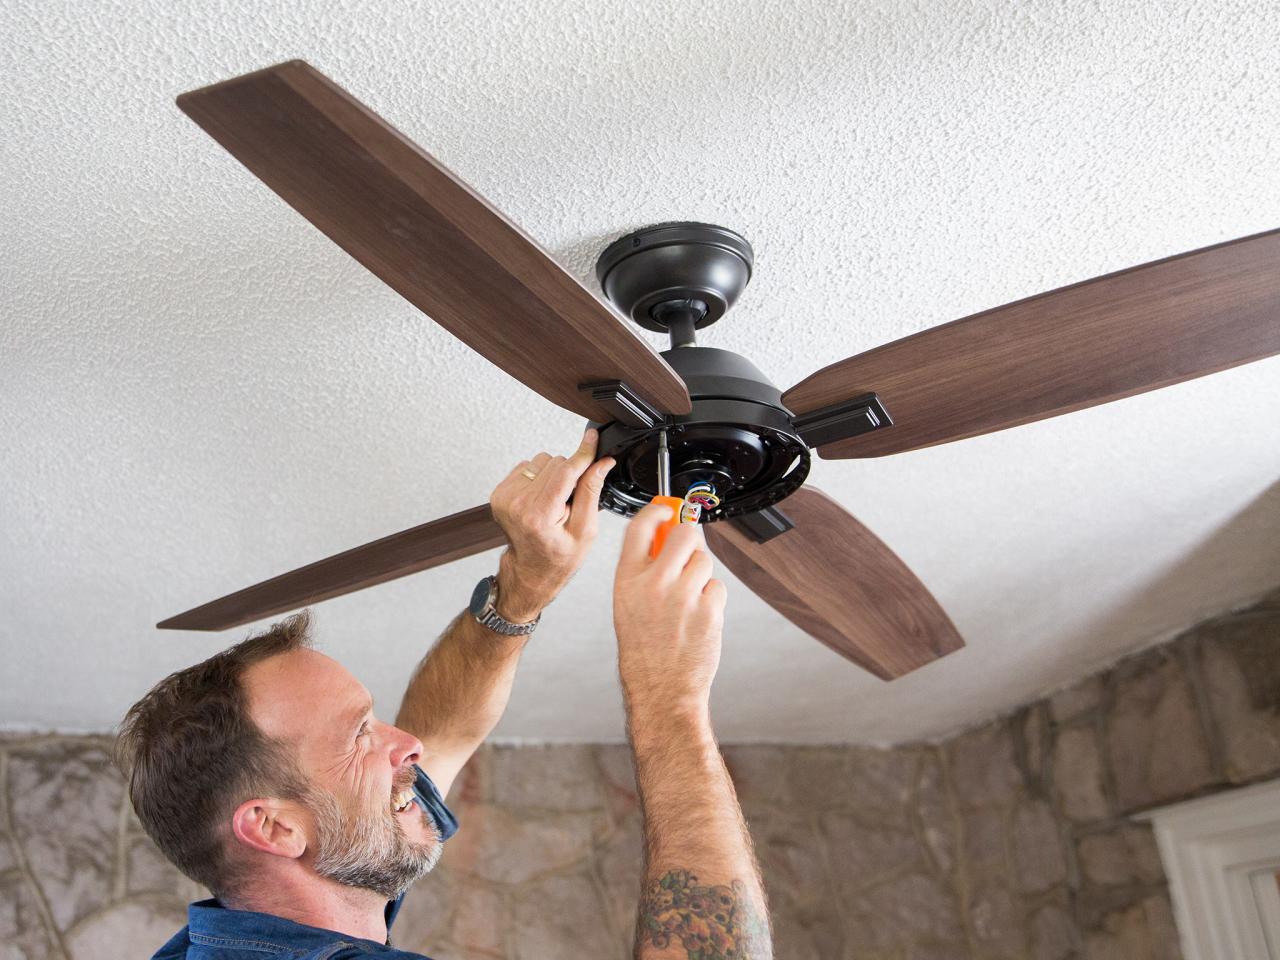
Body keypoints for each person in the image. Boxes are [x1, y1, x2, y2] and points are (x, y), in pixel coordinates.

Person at [117, 428, 772, 959]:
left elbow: (445, 734)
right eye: (359, 736)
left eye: (373, 722)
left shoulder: (291, 912)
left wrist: (524, 589)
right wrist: (670, 699)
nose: (409, 745)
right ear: (274, 827)